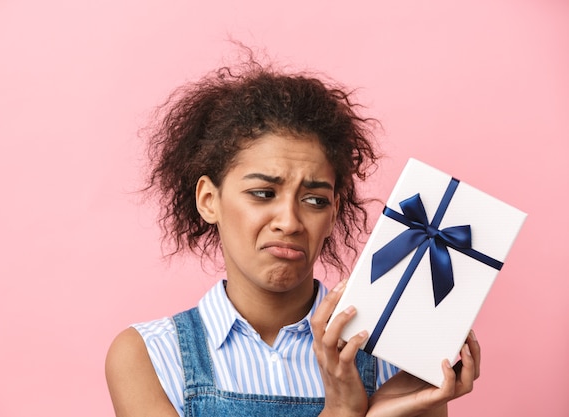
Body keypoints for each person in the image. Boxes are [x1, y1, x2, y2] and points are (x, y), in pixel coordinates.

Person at [105, 53, 480, 417]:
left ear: (333, 214)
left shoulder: (394, 360)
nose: (290, 222)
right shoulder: (149, 355)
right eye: (264, 194)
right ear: (208, 200)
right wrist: (343, 411)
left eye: (315, 200)